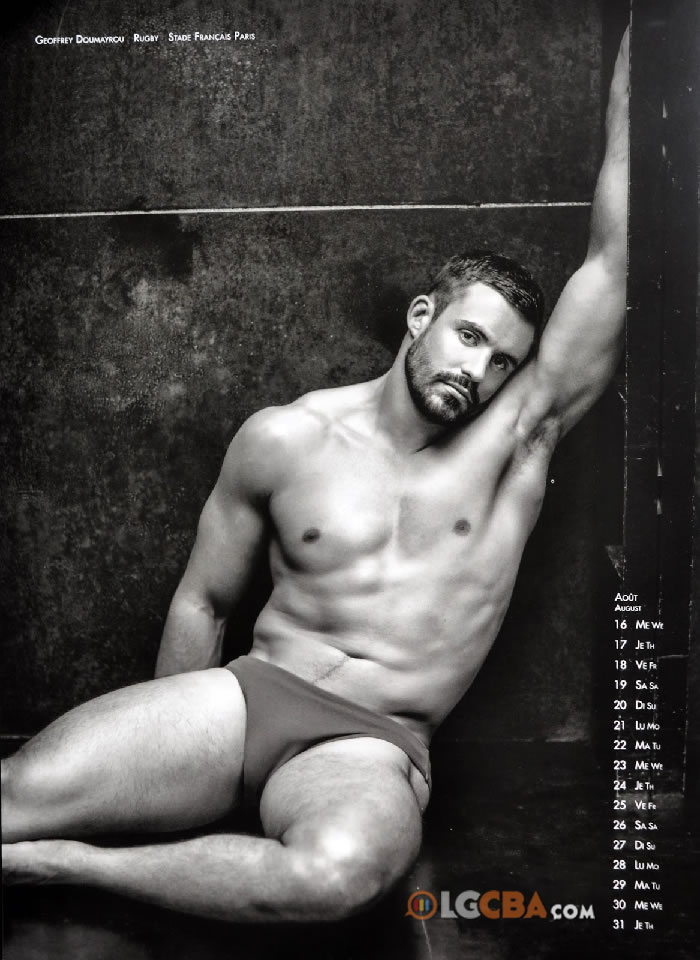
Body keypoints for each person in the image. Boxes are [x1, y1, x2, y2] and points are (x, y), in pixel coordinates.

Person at [2, 29, 629, 924]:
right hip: (245, 699)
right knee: (13, 794)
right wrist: (172, 778)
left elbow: (614, 260)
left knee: (330, 879)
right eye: (469, 336)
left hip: (374, 742)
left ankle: (62, 868)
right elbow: (204, 603)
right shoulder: (285, 437)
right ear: (421, 316)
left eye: (503, 362)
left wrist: (648, 37)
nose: (479, 370)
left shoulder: (516, 446)